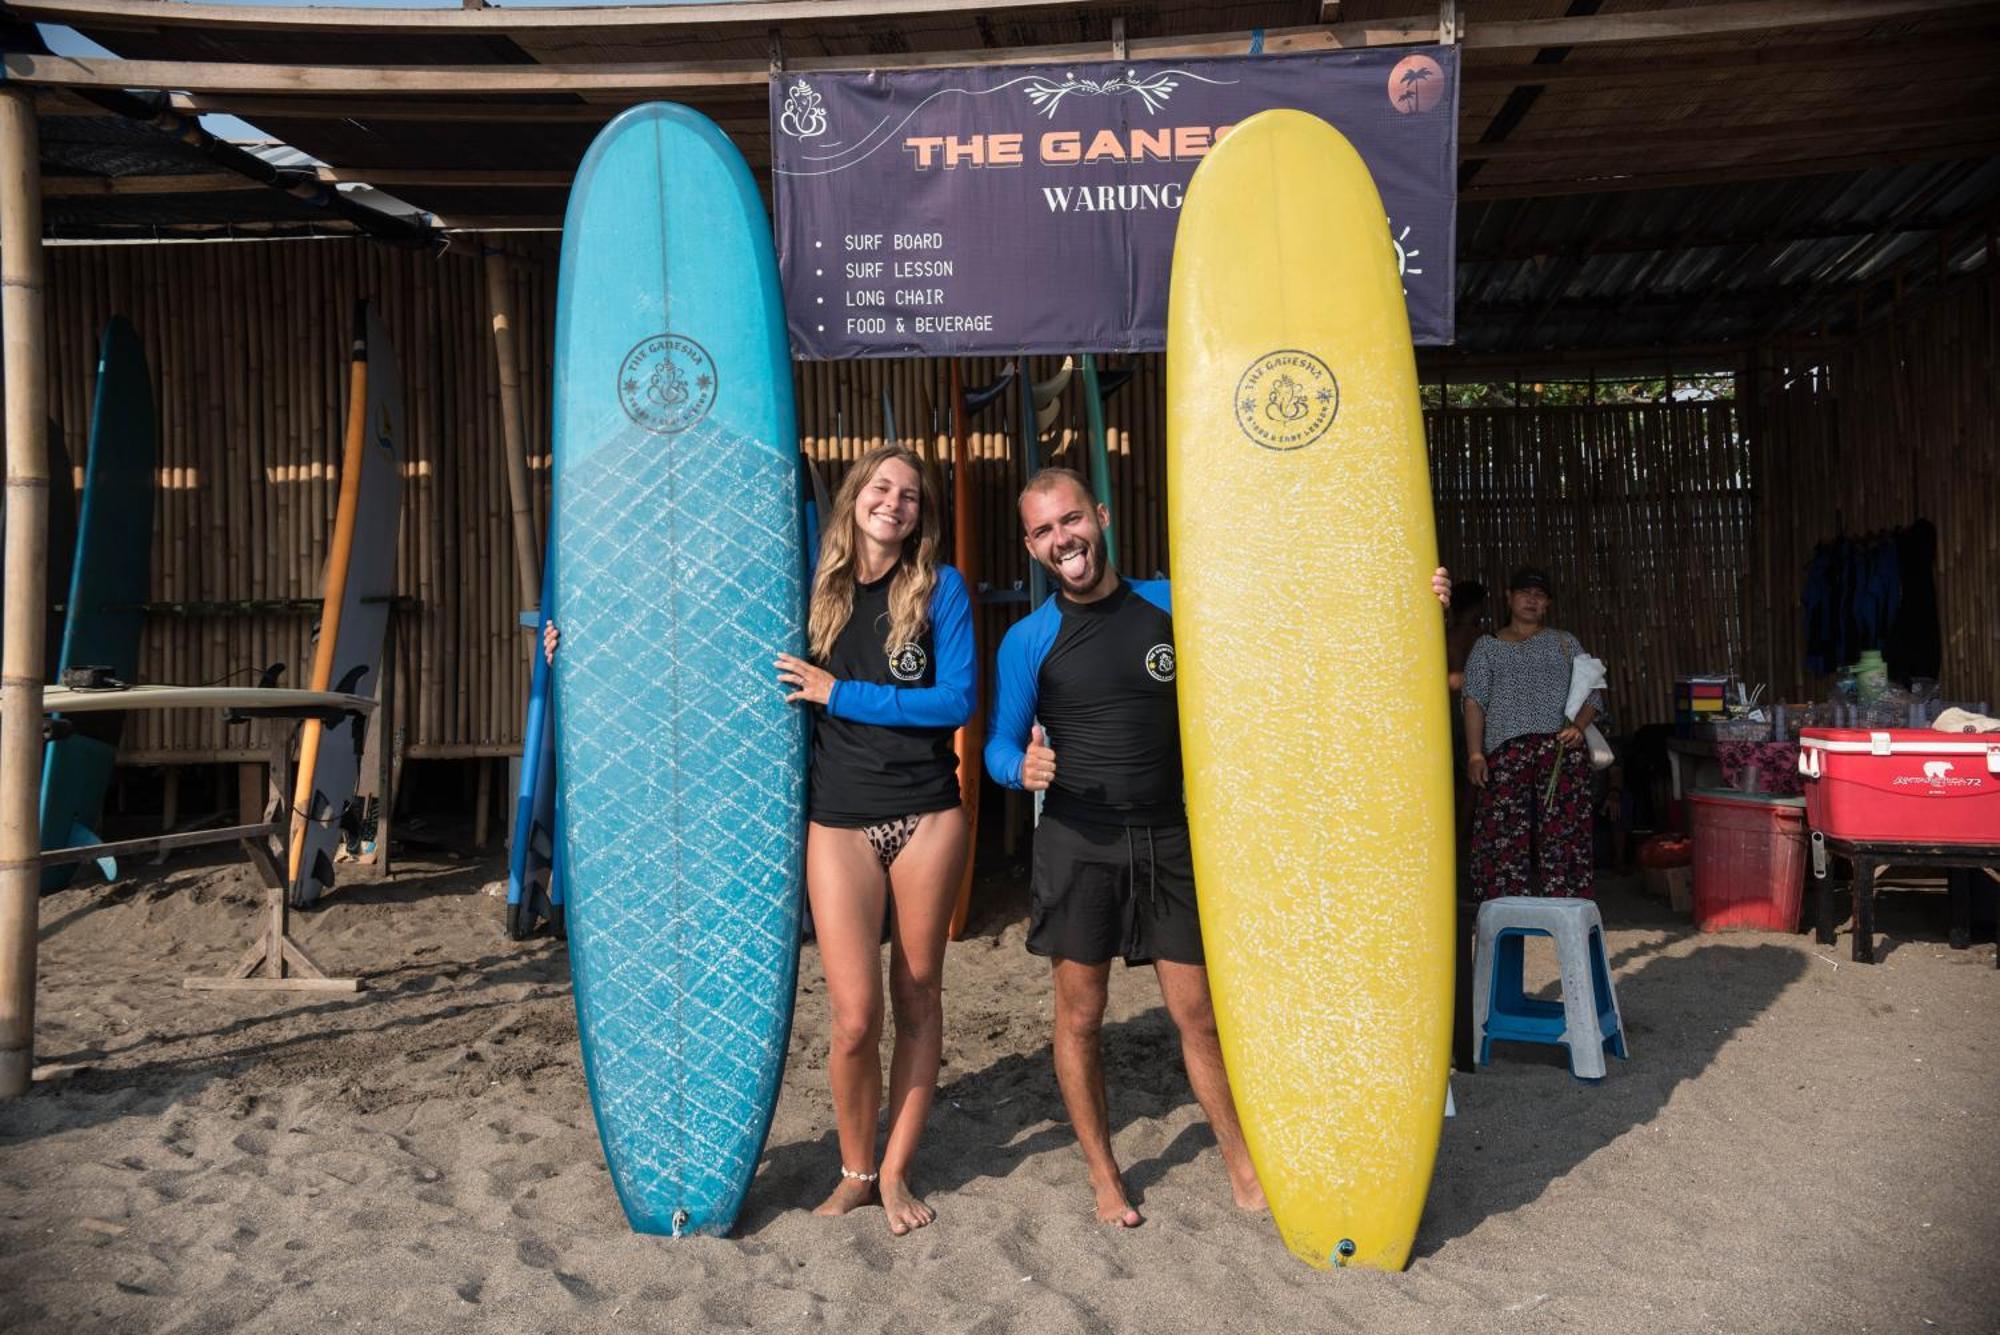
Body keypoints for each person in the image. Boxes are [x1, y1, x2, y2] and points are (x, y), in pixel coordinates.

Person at [985, 467, 1451, 1227]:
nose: (1062, 539)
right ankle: (1105, 1174)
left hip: (1169, 835)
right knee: (1079, 1015)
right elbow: (998, 744)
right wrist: (1020, 766)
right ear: (1032, 546)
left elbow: (1288, 626)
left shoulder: (1172, 603)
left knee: (1197, 1012)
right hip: (1079, 841)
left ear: (1098, 515)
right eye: (1043, 530)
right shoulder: (1027, 640)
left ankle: (1240, 1159)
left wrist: (1404, 596)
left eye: (1070, 519)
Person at [549, 444, 975, 1237]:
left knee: (917, 996)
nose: (894, 502)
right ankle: (854, 1168)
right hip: (839, 818)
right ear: (853, 498)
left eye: (910, 495)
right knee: (854, 1016)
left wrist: (838, 691)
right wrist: (580, 646)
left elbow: (954, 700)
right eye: (881, 487)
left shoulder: (938, 589)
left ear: (923, 513)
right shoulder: (810, 588)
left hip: (927, 814)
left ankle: (894, 1169)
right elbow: (697, 636)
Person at [1460, 566, 1602, 900]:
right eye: (1524, 593)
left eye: (1539, 595)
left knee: (1565, 834)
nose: (1531, 600)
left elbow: (1593, 693)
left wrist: (1579, 727)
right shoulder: (1486, 646)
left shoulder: (1565, 642)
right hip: (1506, 753)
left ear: (1548, 604)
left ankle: (1569, 901)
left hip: (1559, 751)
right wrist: (1476, 754)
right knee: (1501, 836)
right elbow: (1473, 702)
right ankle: (1503, 904)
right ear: (1509, 598)